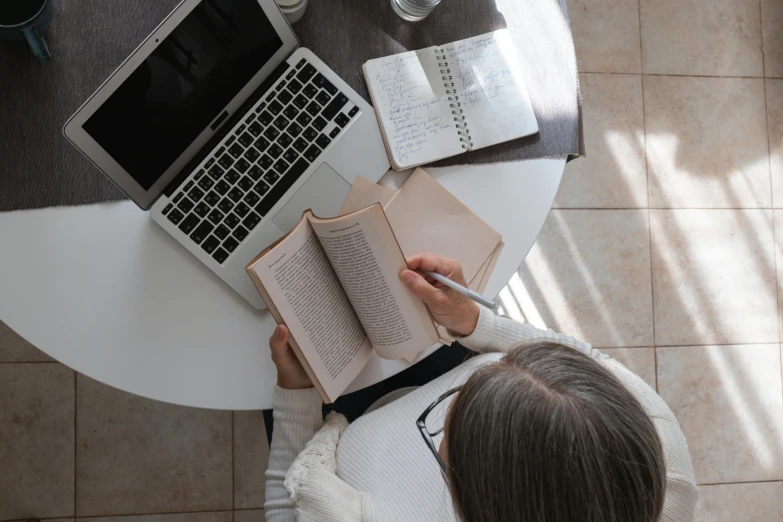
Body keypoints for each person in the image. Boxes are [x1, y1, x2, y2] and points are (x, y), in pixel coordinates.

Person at [263, 252, 698, 522]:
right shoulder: (658, 452)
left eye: (443, 435)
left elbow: (286, 509)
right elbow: (587, 360)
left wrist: (294, 397)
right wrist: (475, 322)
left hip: (327, 423)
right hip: (436, 356)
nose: (446, 403)